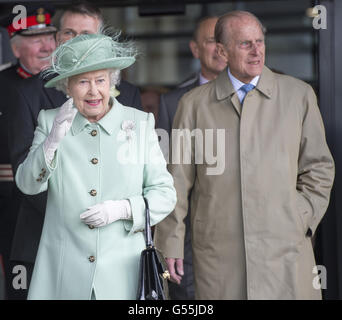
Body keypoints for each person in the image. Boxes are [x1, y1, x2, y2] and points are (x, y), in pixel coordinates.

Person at [154, 10, 335, 299]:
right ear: (222, 51)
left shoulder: (298, 95)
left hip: (285, 248)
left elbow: (319, 167)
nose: (256, 51)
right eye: (244, 44)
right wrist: (171, 242)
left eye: (259, 41)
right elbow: (176, 180)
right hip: (218, 254)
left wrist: (300, 215)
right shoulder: (193, 104)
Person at [15, 33, 176, 300]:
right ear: (68, 87)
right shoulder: (50, 121)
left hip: (123, 276)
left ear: (112, 82)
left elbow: (165, 194)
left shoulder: (140, 123)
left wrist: (123, 209)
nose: (93, 91)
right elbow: (28, 184)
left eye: (100, 80)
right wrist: (51, 143)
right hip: (63, 275)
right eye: (82, 82)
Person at [7, 2, 142, 299]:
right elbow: (24, 170)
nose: (78, 40)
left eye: (86, 33)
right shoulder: (27, 94)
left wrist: (115, 213)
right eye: (69, 32)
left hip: (114, 243)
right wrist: (73, 215)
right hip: (45, 238)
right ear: (57, 39)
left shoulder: (129, 96)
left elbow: (135, 172)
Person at [156, 16, 226, 300]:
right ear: (195, 49)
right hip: (191, 239)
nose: (220, 49)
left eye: (226, 41)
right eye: (212, 40)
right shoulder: (173, 102)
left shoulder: (264, 96)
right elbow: (163, 174)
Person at [0, 4, 57, 299]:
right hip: (11, 205)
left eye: (50, 37)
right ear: (16, 47)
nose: (47, 46)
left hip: (61, 200)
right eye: (37, 40)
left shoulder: (70, 84)